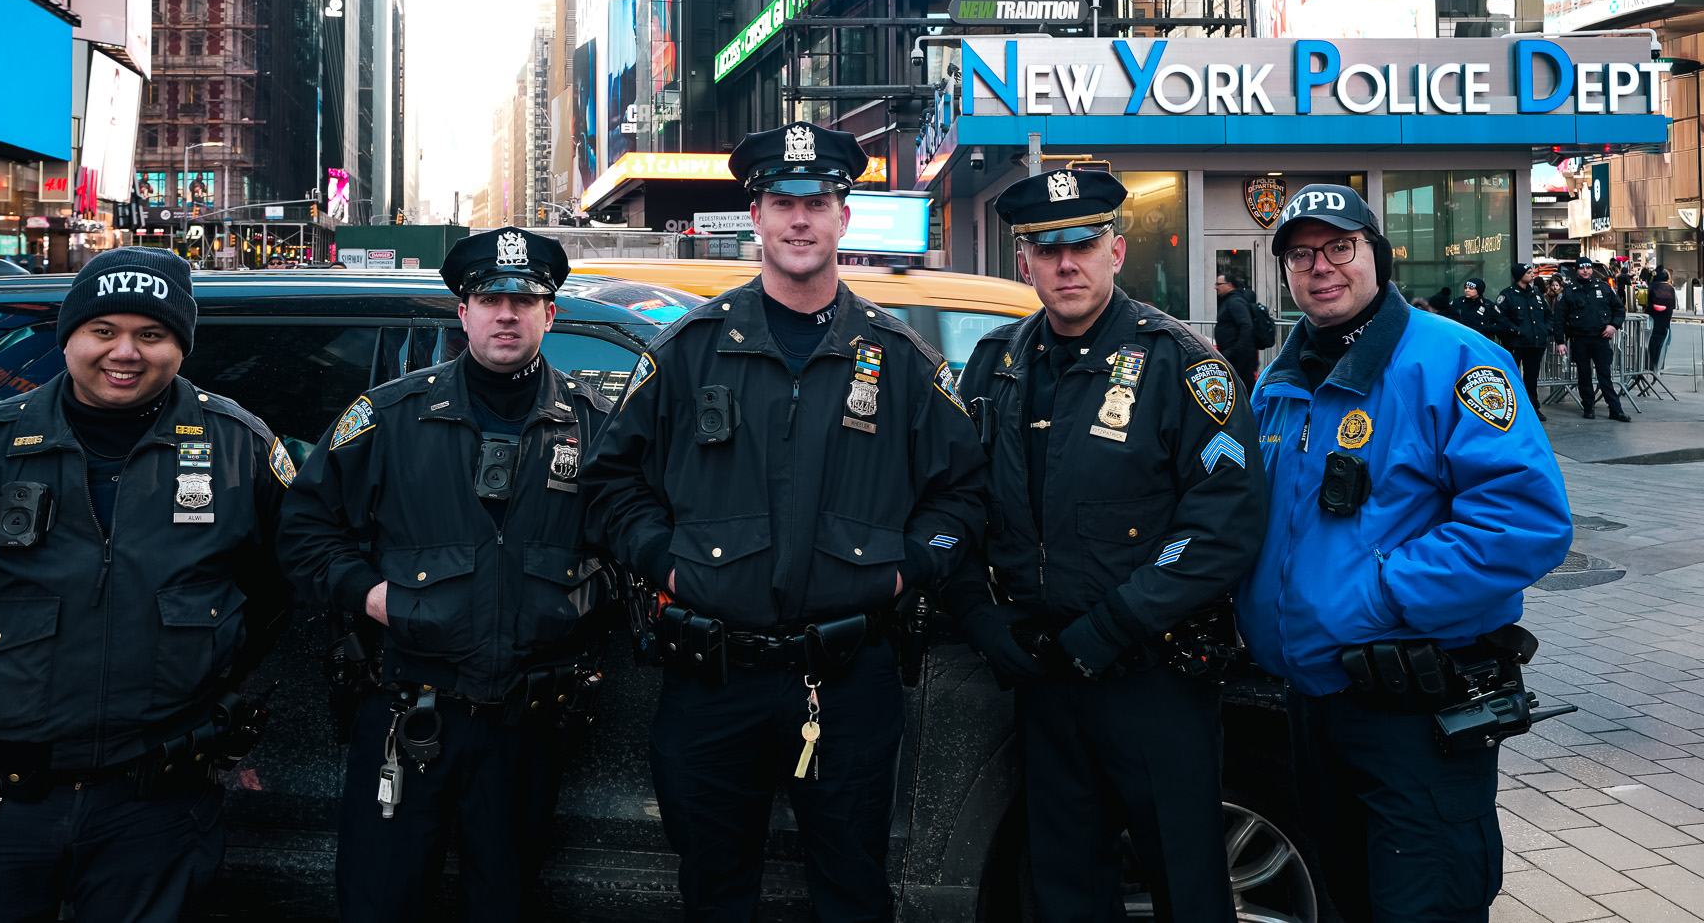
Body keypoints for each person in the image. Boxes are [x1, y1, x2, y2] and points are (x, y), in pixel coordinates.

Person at [580, 121, 986, 922]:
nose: (800, 219)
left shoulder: (900, 358)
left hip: (849, 682)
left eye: (819, 202)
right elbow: (609, 484)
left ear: (844, 218)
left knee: (852, 893)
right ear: (756, 216)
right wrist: (664, 561)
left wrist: (909, 568)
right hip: (712, 679)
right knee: (714, 893)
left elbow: (964, 495)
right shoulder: (689, 349)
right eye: (782, 202)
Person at [0, 248, 290, 922]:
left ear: (181, 343)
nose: (126, 352)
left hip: (157, 807)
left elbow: (277, 597)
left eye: (152, 334)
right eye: (103, 330)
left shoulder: (240, 450)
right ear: (69, 337)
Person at [1237, 184, 1572, 923]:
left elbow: (1524, 522)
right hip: (1311, 703)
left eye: (1338, 247)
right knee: (1346, 901)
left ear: (1376, 257)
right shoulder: (1279, 381)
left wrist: (1377, 597)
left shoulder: (1453, 360)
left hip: (1411, 711)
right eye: (1299, 254)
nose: (1319, 267)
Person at [945, 169, 1266, 923]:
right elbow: (955, 500)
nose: (1066, 263)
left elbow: (1226, 522)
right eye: (1046, 247)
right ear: (1022, 262)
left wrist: (1116, 621)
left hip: (1151, 677)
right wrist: (979, 614)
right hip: (1046, 677)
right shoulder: (997, 364)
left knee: (1188, 889)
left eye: (1083, 243)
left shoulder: (1182, 365)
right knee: (1065, 889)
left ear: (1116, 250)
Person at [278, 227, 613, 921]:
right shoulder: (390, 417)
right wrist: (372, 597)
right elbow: (305, 530)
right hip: (408, 711)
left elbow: (631, 538)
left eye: (527, 299)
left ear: (551, 313)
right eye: (490, 297)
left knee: (506, 904)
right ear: (462, 312)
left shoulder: (595, 425)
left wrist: (590, 597)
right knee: (381, 901)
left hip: (528, 724)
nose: (508, 313)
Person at [1555, 257, 1629, 421]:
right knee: (1584, 375)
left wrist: (1614, 326)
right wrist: (1560, 341)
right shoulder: (1569, 291)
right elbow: (1559, 318)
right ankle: (1588, 406)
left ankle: (1615, 409)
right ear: (1577, 270)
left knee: (1605, 374)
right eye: (1582, 268)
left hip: (1601, 337)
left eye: (1588, 268)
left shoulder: (1604, 288)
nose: (1586, 271)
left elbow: (1619, 309)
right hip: (1580, 339)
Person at [1495, 262, 1553, 421]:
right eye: (1528, 272)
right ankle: (1511, 409)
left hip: (1535, 344)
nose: (1532, 274)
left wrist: (1545, 330)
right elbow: (1501, 318)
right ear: (1520, 276)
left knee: (1531, 378)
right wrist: (1517, 331)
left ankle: (1533, 408)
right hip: (1516, 344)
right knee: (1511, 377)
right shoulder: (1508, 295)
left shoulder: (1537, 294)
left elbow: (1549, 315)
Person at [1213, 267, 1261, 391]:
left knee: (1243, 386)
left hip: (1240, 355)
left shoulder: (1235, 302)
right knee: (1240, 385)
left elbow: (1246, 325)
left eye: (1219, 284)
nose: (1216, 287)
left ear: (1229, 285)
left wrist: (1235, 349)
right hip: (1237, 354)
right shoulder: (1230, 300)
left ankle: (1251, 409)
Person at [1646, 266, 1677, 370]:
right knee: (1664, 340)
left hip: (1653, 317)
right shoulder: (1671, 289)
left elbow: (1648, 301)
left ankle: (1651, 362)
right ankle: (1660, 363)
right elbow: (1673, 305)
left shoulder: (1652, 286)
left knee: (1652, 339)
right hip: (1665, 318)